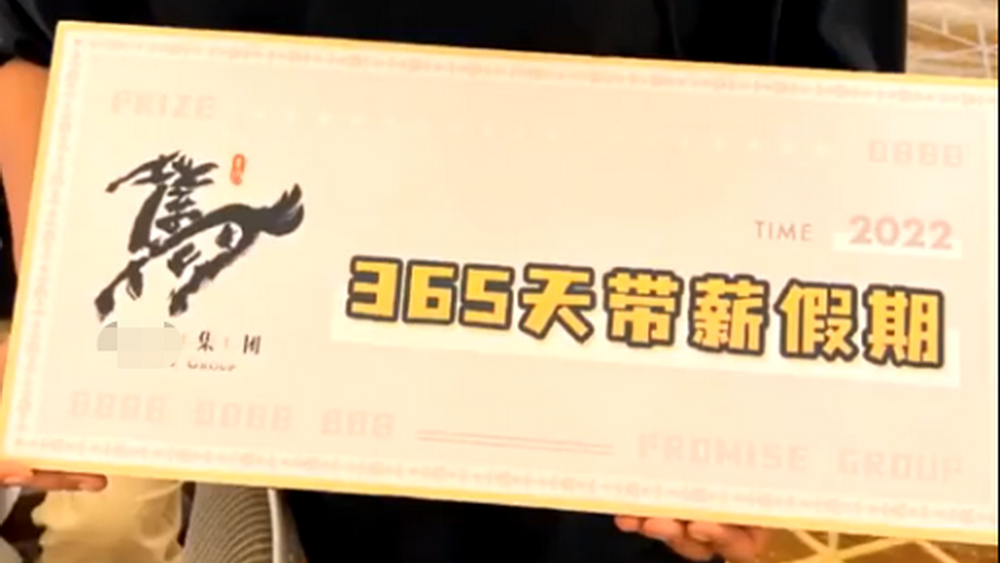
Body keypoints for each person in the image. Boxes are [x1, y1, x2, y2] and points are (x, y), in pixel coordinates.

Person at [2, 0, 907, 561]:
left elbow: (829, 99)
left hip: (622, 382)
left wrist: (759, 417)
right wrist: (53, 330)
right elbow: (35, 37)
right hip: (292, 380)